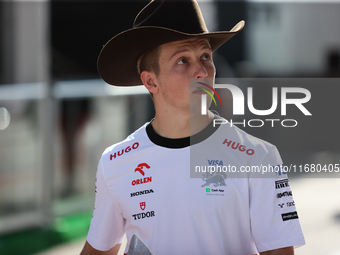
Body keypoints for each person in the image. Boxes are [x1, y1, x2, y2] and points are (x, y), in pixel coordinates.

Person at [80, 0, 305, 254]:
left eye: (206, 56)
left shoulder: (259, 156)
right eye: (182, 60)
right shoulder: (115, 161)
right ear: (150, 81)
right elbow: (98, 249)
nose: (202, 71)